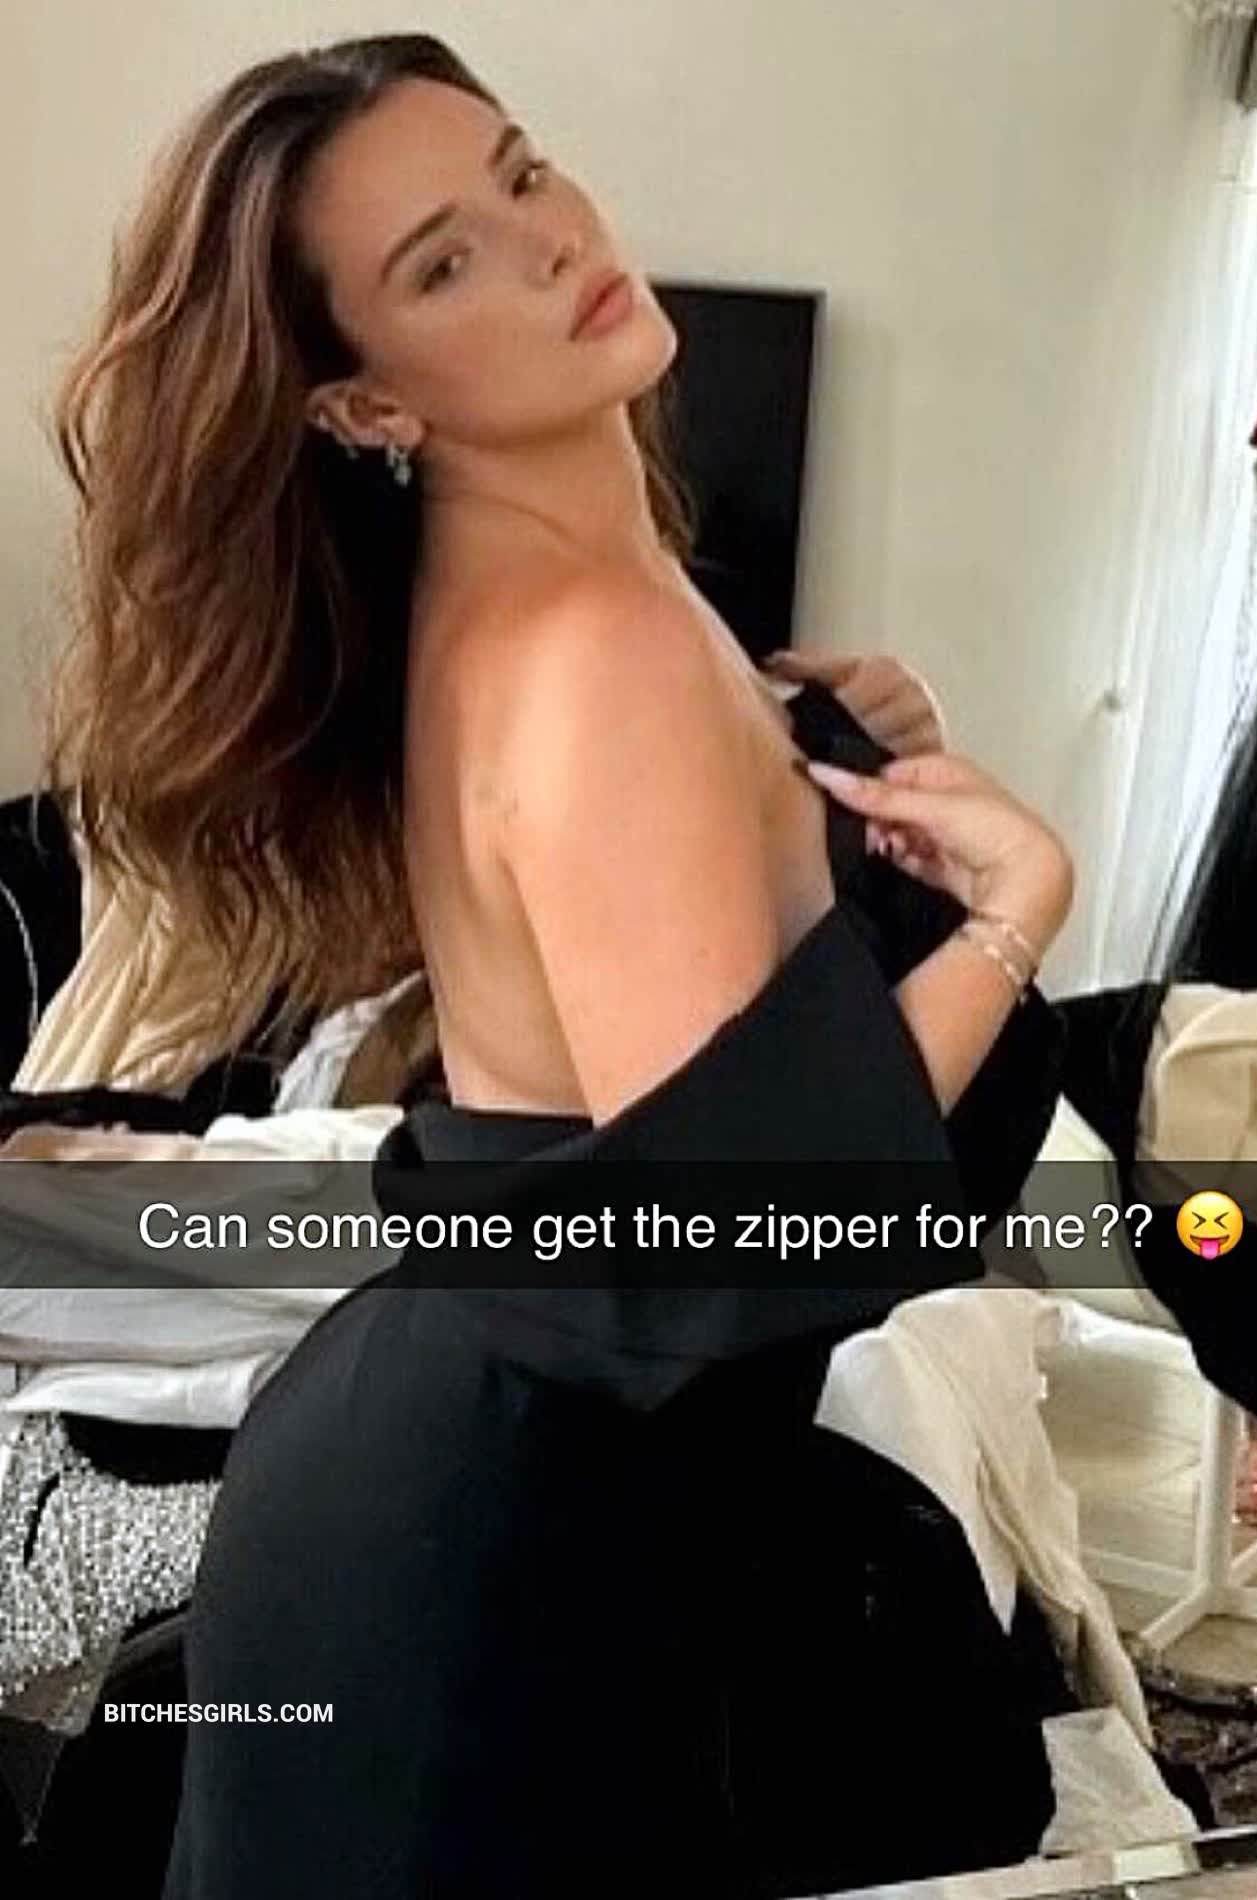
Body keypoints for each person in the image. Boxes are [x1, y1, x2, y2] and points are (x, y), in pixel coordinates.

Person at [22, 33, 1078, 1899]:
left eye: (520, 172)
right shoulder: (595, 642)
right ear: (365, 398)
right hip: (493, 1551)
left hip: (469, 1483)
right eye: (443, 262)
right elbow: (740, 1232)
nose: (550, 240)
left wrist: (824, 774)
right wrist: (1011, 914)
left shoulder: (579, 591)